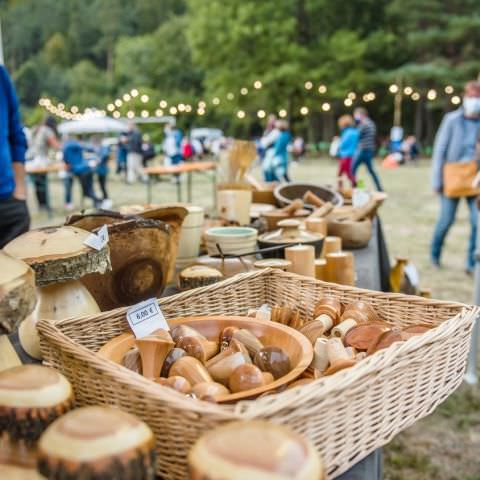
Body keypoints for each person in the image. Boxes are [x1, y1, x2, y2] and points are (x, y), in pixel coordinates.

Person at [430, 81, 480, 274]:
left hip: (475, 178)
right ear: (465, 96)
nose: (475, 100)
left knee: (477, 223)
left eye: (478, 97)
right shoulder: (452, 120)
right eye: (472, 96)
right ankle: (435, 255)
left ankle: (472, 262)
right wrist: (436, 181)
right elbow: (439, 150)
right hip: (452, 177)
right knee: (446, 219)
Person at [0, 65, 29, 248]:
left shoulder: (1, 76)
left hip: (8, 200)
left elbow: (16, 134)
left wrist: (20, 190)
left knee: (19, 275)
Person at [27, 115, 61, 209]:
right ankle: (45, 206)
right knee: (42, 183)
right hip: (39, 160)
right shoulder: (47, 130)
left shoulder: (36, 128)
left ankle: (41, 205)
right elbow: (56, 145)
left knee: (37, 184)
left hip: (30, 159)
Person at [62, 136, 100, 208]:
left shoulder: (65, 147)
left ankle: (68, 203)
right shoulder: (78, 144)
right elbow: (91, 149)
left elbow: (66, 161)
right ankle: (96, 201)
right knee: (89, 189)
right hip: (86, 169)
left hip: (77, 170)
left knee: (83, 190)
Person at [352, 107, 383, 191]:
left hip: (362, 150)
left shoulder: (364, 124)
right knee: (371, 171)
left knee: (352, 169)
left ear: (361, 115)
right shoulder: (371, 123)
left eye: (356, 115)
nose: (355, 117)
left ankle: (355, 188)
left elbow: (356, 135)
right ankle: (379, 188)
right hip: (369, 150)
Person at [336, 115, 359, 187]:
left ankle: (354, 189)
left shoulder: (346, 133)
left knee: (344, 174)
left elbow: (343, 144)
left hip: (345, 156)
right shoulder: (355, 132)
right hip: (353, 155)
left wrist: (338, 146)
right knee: (348, 173)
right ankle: (353, 188)